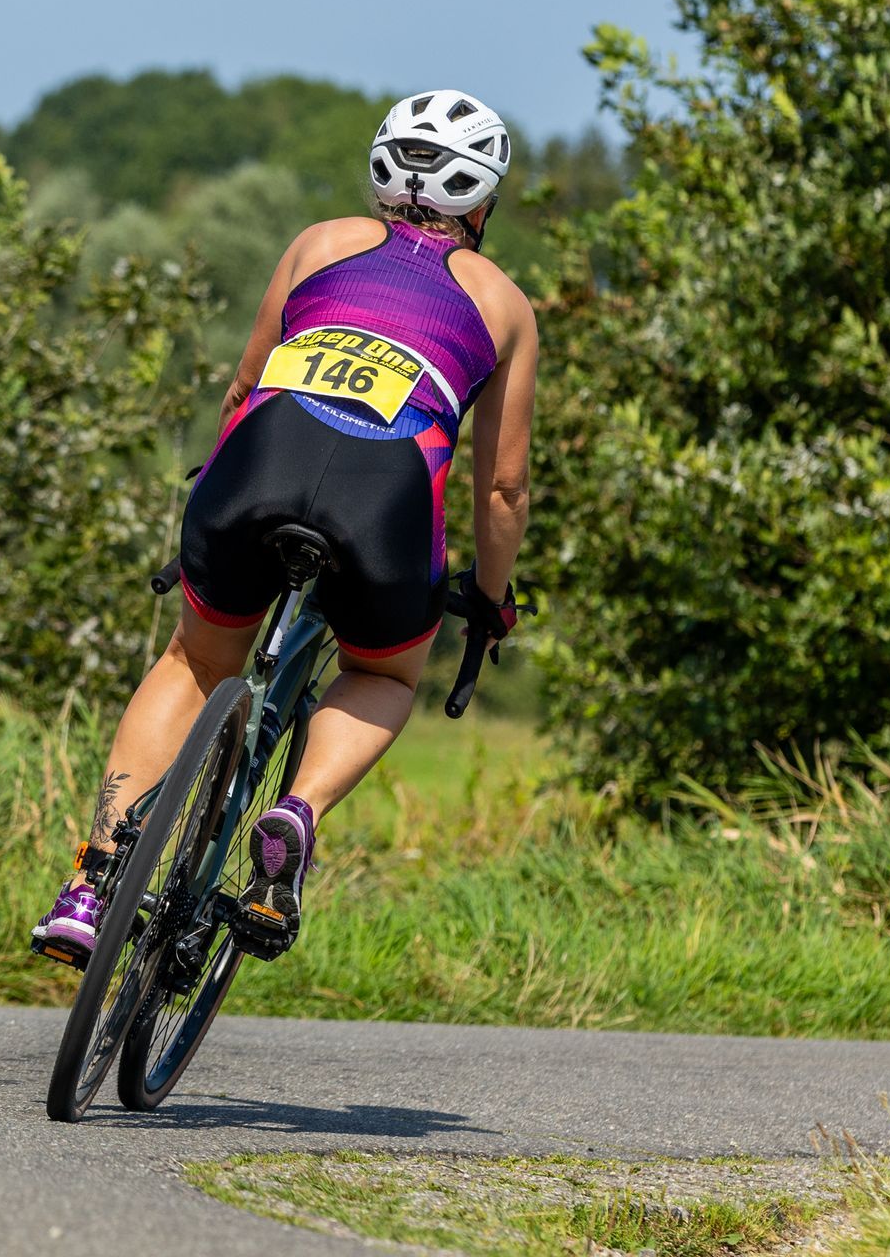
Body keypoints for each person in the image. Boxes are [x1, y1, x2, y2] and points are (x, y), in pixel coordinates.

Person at [35, 90, 535, 959]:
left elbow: (242, 389)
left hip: (261, 462)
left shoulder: (321, 243)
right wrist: (489, 603)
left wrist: (213, 500)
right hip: (386, 501)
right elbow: (503, 487)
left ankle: (90, 884)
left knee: (195, 659)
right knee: (384, 675)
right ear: (482, 201)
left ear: (380, 171)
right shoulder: (505, 304)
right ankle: (295, 812)